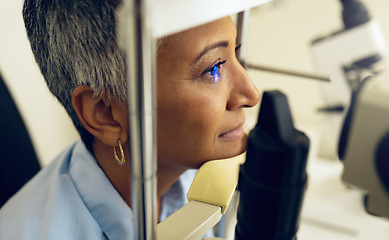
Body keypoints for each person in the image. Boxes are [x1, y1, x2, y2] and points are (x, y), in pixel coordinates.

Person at [0, 0, 260, 239]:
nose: (251, 94)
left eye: (236, 51)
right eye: (213, 69)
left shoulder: (190, 170)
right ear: (106, 114)